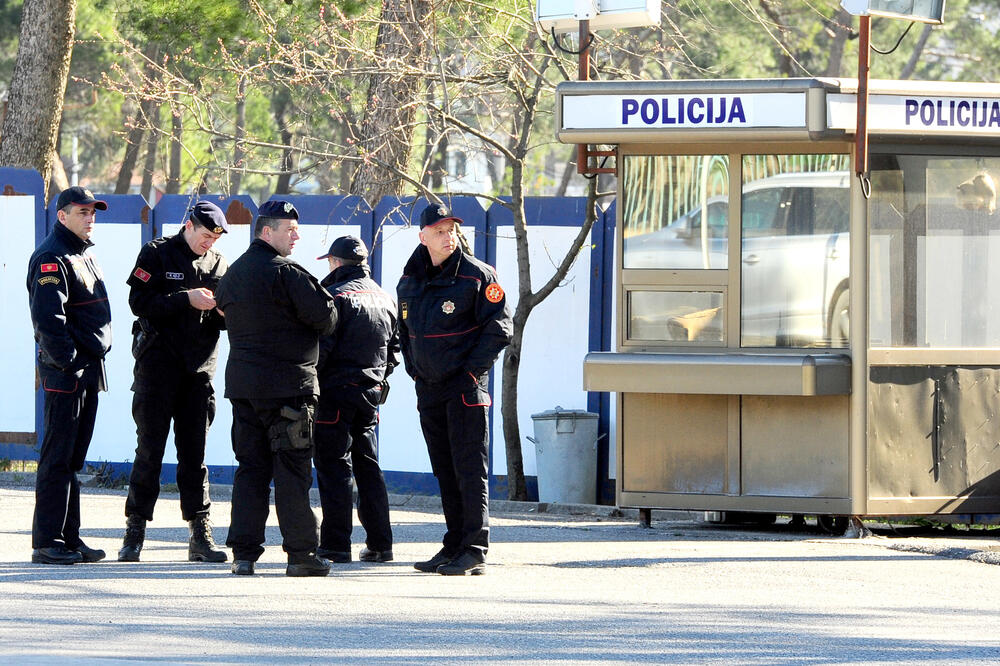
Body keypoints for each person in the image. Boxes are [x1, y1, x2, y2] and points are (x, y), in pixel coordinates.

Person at [215, 200, 337, 577]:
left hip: (245, 391)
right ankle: (301, 554)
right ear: (267, 232)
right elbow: (327, 318)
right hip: (289, 391)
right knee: (292, 471)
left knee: (250, 470)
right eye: (289, 229)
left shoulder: (233, 274)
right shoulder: (288, 273)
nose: (296, 235)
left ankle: (244, 554)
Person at [396, 203, 512, 576]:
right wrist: (414, 369)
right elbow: (404, 330)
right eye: (441, 231)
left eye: (452, 230)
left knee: (468, 469)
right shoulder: (410, 279)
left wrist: (470, 373)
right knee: (444, 470)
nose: (449, 237)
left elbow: (500, 328)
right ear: (423, 237)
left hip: (465, 388)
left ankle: (475, 547)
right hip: (428, 388)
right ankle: (454, 543)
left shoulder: (477, 276)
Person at [118, 201, 230, 563]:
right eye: (204, 235)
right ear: (188, 226)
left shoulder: (218, 264)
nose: (208, 243)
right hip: (157, 369)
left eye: (214, 238)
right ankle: (134, 532)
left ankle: (199, 533)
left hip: (198, 372)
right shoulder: (157, 254)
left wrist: (225, 311)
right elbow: (139, 302)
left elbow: (228, 318)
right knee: (149, 451)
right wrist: (186, 299)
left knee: (194, 456)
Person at [26, 186, 113, 565]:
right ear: (62, 216)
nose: (90, 218)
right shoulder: (51, 256)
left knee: (73, 460)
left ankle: (69, 537)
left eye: (93, 212)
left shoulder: (82, 253)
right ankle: (46, 541)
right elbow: (49, 320)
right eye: (82, 212)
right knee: (57, 457)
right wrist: (70, 362)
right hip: (68, 372)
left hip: (87, 369)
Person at [314, 235, 400, 564]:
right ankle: (381, 543)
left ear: (335, 262)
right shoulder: (384, 296)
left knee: (334, 468)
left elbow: (323, 350)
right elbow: (394, 351)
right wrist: (378, 379)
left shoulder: (335, 296)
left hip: (335, 393)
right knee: (368, 467)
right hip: (370, 393)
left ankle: (336, 544)